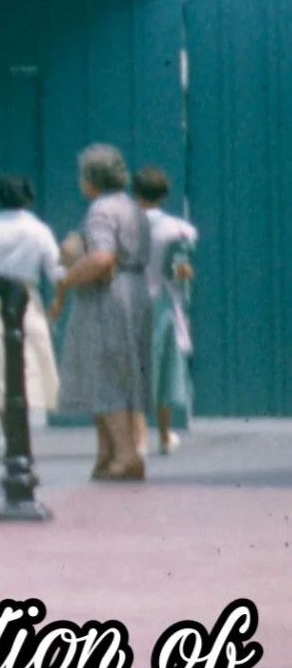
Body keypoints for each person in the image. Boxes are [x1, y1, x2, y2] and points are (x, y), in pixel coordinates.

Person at [52, 143, 150, 481]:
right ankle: (107, 453)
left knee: (104, 372)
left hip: (107, 297)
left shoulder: (100, 211)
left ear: (90, 179)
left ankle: (124, 453)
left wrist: (66, 279)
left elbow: (101, 257)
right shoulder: (132, 208)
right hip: (135, 291)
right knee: (122, 372)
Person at [0, 174, 62, 415]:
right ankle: (26, 422)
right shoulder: (39, 230)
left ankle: (7, 429)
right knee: (32, 359)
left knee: (0, 362)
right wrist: (57, 303)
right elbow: (58, 273)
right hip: (28, 296)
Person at [132, 165, 196, 453]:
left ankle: (139, 438)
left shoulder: (125, 225)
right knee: (166, 370)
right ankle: (165, 435)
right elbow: (181, 270)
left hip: (131, 300)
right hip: (163, 304)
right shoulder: (175, 229)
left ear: (135, 193)